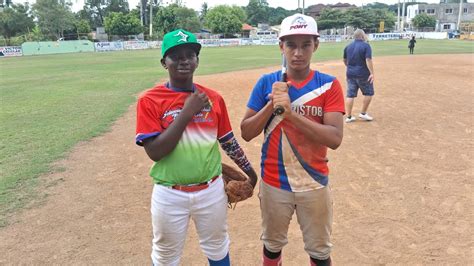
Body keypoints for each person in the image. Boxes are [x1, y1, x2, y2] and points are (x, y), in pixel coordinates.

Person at [135, 29, 258, 266]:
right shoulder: (150, 100)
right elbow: (155, 152)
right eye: (176, 55)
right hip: (169, 193)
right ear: (164, 62)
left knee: (217, 246)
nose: (184, 60)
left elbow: (228, 142)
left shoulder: (213, 98)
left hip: (210, 191)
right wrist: (186, 113)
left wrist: (251, 174)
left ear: (197, 60)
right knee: (165, 255)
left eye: (190, 54)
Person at [240, 14, 345, 266]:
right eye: (291, 45)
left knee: (319, 252)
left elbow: (335, 138)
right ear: (281, 47)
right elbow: (246, 132)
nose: (298, 52)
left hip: (314, 182)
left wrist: (290, 115)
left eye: (305, 45)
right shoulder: (267, 83)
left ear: (315, 46)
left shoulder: (328, 85)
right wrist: (270, 106)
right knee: (272, 246)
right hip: (274, 182)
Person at [343, 29, 375, 123]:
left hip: (350, 74)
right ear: (362, 36)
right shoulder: (366, 46)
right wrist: (372, 73)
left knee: (350, 95)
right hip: (363, 74)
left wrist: (349, 67)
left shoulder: (348, 47)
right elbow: (368, 60)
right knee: (369, 93)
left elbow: (345, 60)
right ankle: (363, 113)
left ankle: (348, 116)